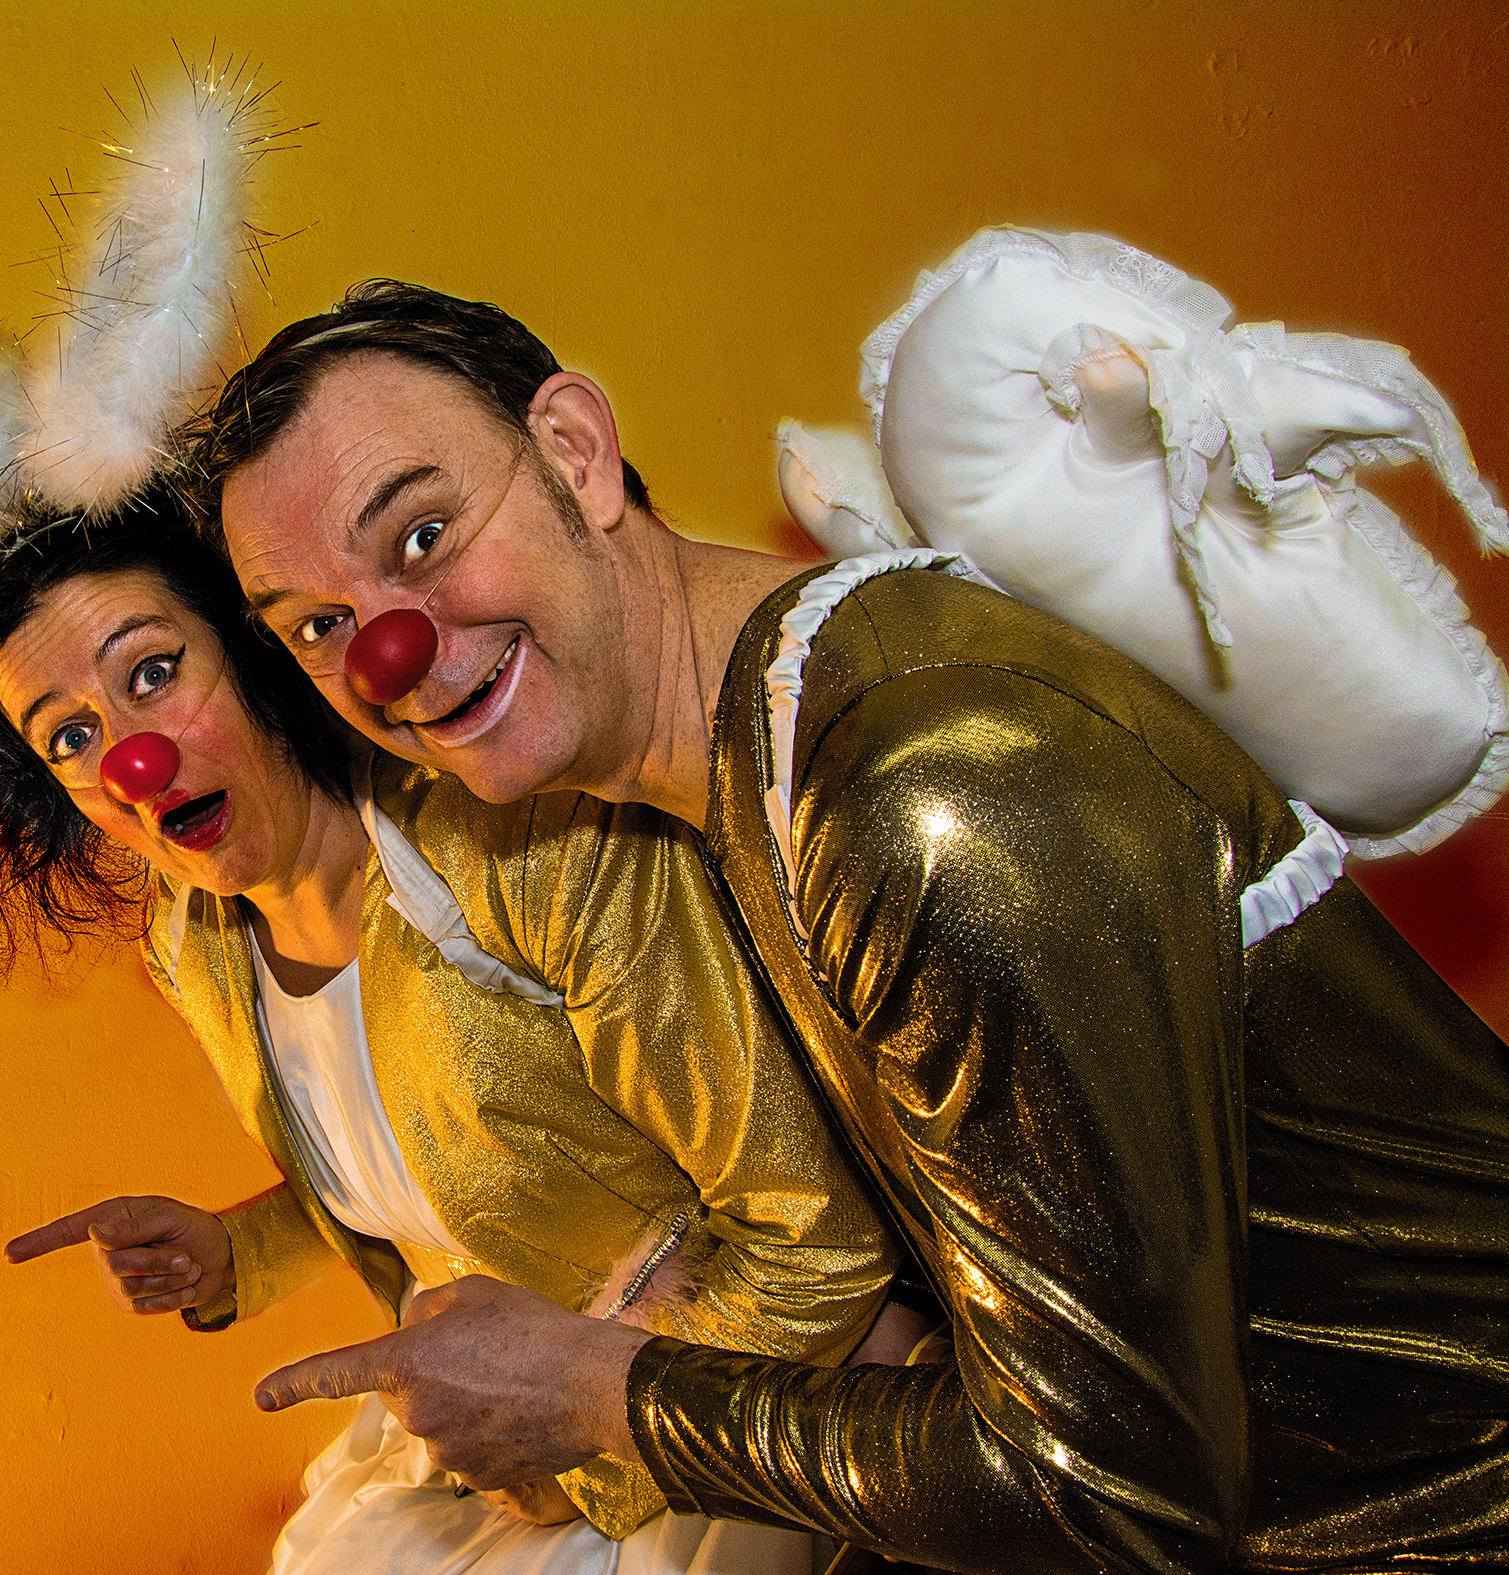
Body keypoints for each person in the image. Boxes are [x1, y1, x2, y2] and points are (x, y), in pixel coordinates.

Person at [195, 280, 1509, 1572]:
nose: (386, 654)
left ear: (576, 454)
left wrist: (605, 1393)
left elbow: (1110, 1501)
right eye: (319, 624)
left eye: (421, 537)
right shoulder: (743, 771)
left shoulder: (915, 790)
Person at [0, 480, 906, 1572]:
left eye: (154, 672)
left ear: (251, 651)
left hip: (713, 1421)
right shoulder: (194, 946)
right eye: (71, 736)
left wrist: (580, 1436)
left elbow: (815, 1240)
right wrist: (236, 1250)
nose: (133, 761)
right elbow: (442, 1160)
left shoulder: (519, 846)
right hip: (481, 1452)